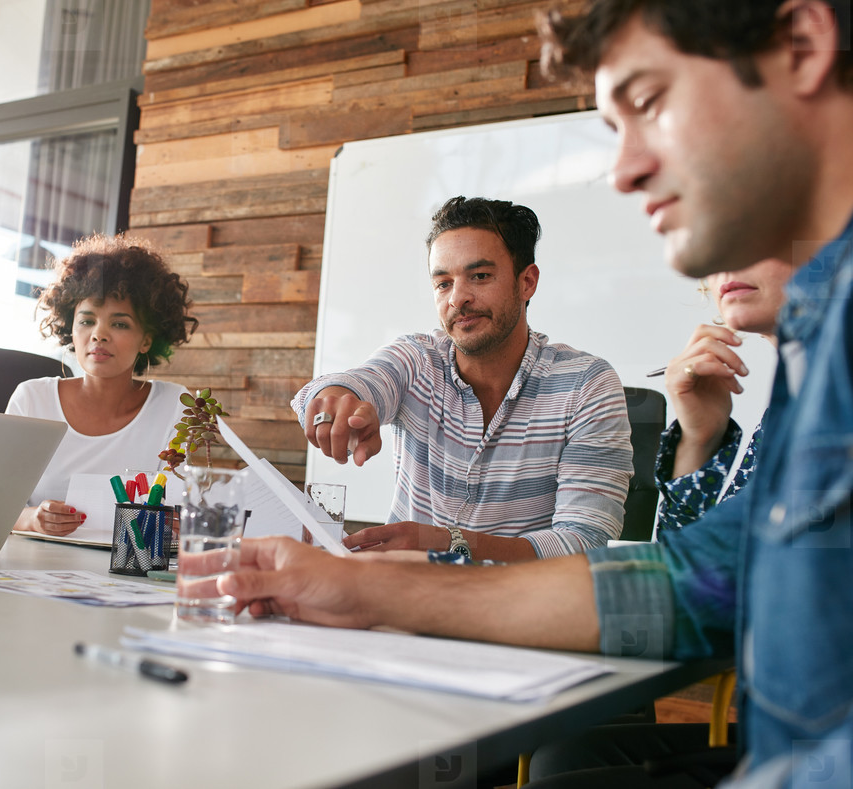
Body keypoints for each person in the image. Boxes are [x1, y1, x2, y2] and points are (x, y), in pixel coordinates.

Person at [221, 1, 853, 786]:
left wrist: (422, 566)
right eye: (443, 281)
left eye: (650, 103)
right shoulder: (816, 342)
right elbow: (698, 581)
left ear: (802, 46)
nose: (624, 170)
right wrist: (363, 584)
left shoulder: (594, 380)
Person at [292, 196, 632, 562]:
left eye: (480, 276)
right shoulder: (419, 359)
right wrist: (335, 396)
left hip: (521, 609)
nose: (458, 298)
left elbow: (585, 544)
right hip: (400, 601)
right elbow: (357, 383)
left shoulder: (587, 384)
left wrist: (444, 543)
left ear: (527, 282)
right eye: (442, 283)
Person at [5, 234, 197, 537]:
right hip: (35, 566)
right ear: (71, 327)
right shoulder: (32, 399)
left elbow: (176, 510)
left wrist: (177, 521)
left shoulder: (175, 405)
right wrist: (33, 519)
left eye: (119, 324)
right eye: (86, 321)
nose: (99, 334)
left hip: (131, 569)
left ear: (146, 339)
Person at [654, 259, 794, 533]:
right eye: (717, 248)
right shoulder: (792, 398)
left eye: (757, 237)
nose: (728, 260)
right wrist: (700, 440)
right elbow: (682, 566)